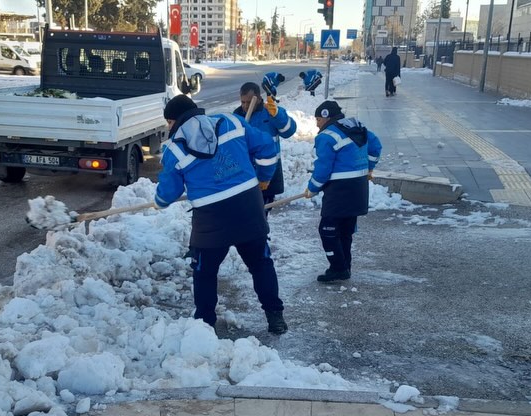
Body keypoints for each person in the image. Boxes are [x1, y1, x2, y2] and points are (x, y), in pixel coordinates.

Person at [156, 95, 288, 334]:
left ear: (174, 120)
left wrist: (159, 199)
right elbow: (268, 146)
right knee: (261, 263)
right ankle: (275, 317)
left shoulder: (174, 148)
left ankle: (205, 324)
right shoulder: (231, 121)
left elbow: (167, 195)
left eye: (168, 122)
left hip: (211, 218)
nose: (168, 127)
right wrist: (264, 177)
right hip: (248, 207)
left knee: (205, 272)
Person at [304, 100, 382, 283]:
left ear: (325, 117)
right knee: (345, 231)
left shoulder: (327, 137)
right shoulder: (357, 127)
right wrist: (369, 168)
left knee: (327, 230)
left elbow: (323, 168)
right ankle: (345, 265)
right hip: (359, 188)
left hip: (340, 190)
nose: (317, 124)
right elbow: (376, 146)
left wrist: (312, 188)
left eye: (317, 120)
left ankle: (338, 268)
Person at [233, 80, 297, 209]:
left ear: (258, 98)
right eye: (243, 102)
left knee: (264, 210)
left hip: (270, 170)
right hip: (248, 170)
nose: (245, 106)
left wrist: (278, 115)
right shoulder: (238, 115)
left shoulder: (270, 112)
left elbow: (288, 131)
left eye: (249, 102)